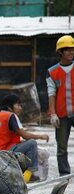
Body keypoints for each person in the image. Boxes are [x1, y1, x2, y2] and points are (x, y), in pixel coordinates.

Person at [0, 93, 49, 182]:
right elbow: (25, 135)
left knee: (24, 144)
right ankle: (29, 175)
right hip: (2, 153)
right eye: (18, 105)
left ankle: (20, 172)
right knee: (32, 143)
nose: (20, 108)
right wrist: (41, 136)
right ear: (10, 106)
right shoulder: (10, 115)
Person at [46, 35, 74, 176]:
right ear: (61, 52)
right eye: (68, 50)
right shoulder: (53, 72)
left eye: (72, 50)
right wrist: (53, 113)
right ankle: (64, 173)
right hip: (62, 115)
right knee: (61, 147)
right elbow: (51, 93)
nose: (71, 52)